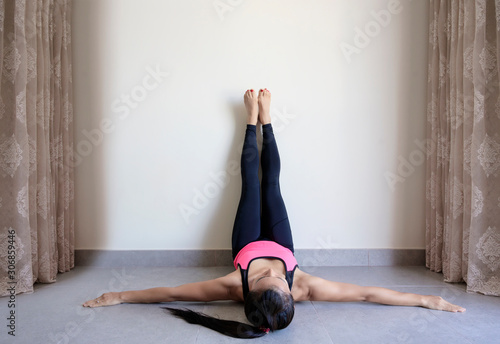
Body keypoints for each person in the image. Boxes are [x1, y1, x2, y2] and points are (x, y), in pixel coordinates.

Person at [83, 89, 465, 339]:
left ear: (249, 291)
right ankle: (268, 120)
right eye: (276, 279)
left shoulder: (234, 285)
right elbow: (365, 294)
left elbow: (169, 292)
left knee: (252, 185)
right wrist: (425, 300)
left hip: (247, 242)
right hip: (281, 241)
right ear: (293, 293)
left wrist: (119, 294)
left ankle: (251, 120)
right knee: (273, 185)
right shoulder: (304, 286)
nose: (268, 271)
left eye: (263, 279)